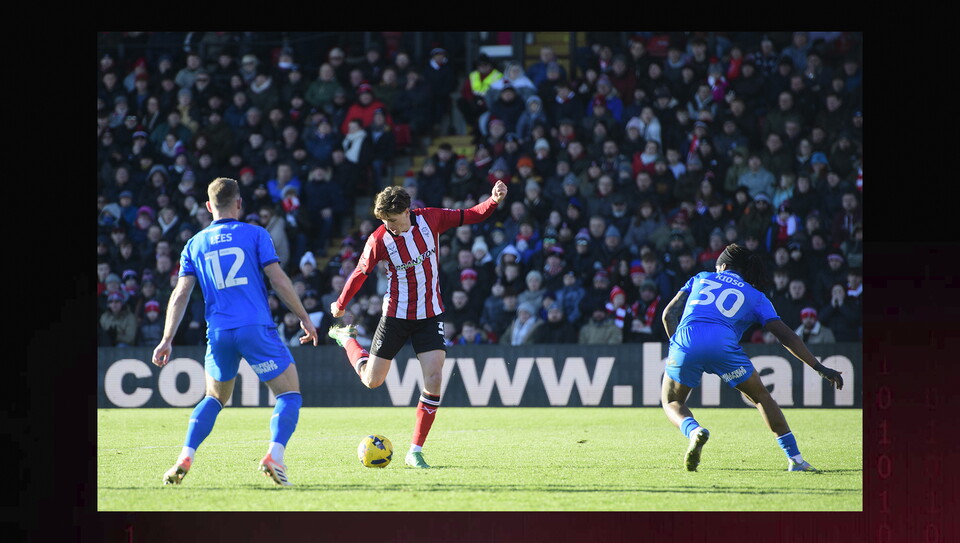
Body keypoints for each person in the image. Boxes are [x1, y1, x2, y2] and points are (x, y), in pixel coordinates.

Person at [326, 181, 508, 469]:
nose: (391, 227)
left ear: (407, 211)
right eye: (385, 222)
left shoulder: (430, 219)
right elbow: (360, 272)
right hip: (396, 315)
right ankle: (347, 338)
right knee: (372, 381)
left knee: (434, 378)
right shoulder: (379, 239)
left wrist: (493, 200)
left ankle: (415, 451)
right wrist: (341, 303)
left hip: (430, 315)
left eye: (394, 221)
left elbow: (471, 215)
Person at [152, 177, 319, 487]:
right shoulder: (256, 234)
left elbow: (180, 293)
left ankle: (185, 455)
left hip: (218, 332)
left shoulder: (194, 243)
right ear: (239, 203)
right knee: (289, 393)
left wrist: (166, 339)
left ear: (208, 206)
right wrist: (304, 317)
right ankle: (274, 456)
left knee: (214, 398)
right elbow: (278, 279)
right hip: (255, 327)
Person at [659, 243, 843, 472]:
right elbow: (786, 336)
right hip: (723, 347)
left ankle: (694, 430)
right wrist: (818, 366)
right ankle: (795, 459)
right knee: (762, 398)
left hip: (686, 342)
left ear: (723, 266)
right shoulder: (756, 296)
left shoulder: (701, 277)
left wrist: (677, 346)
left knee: (672, 401)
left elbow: (669, 314)